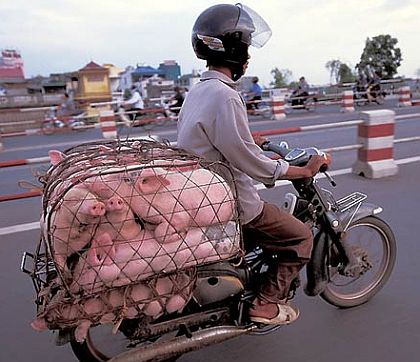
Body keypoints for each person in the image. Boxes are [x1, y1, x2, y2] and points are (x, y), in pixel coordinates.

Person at [177, 3, 331, 325]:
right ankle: (264, 302)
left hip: (201, 191)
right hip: (232, 201)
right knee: (301, 236)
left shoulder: (198, 92)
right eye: (246, 46)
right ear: (235, 50)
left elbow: (223, 142)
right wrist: (301, 170)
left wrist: (253, 142)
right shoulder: (226, 96)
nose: (248, 56)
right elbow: (248, 163)